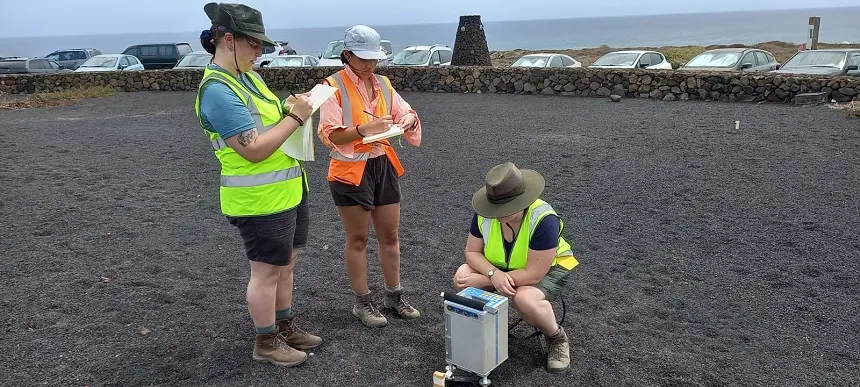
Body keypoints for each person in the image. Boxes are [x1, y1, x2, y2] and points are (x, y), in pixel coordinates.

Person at [194, 2, 321, 367]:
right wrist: (296, 116)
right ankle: (265, 342)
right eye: (255, 45)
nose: (260, 52)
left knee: (286, 263)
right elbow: (255, 150)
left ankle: (284, 325)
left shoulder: (246, 76)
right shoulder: (218, 90)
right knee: (265, 271)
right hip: (258, 199)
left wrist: (288, 107)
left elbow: (267, 122)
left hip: (287, 191)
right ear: (229, 40)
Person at [317, 25, 422, 328]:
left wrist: (408, 119)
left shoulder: (384, 84)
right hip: (349, 170)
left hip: (382, 164)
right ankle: (362, 302)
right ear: (347, 55)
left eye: (374, 59)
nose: (369, 64)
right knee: (358, 238)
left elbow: (407, 112)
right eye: (363, 58)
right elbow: (329, 134)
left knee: (390, 235)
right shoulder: (331, 86)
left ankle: (394, 295)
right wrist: (365, 130)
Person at [452, 162, 580, 373]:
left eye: (507, 207)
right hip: (502, 267)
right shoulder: (484, 213)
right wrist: (493, 274)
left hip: (550, 268)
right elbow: (472, 252)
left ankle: (556, 337)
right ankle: (490, 328)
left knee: (525, 299)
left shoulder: (544, 219)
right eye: (496, 207)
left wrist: (487, 279)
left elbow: (534, 273)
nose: (499, 213)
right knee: (463, 276)